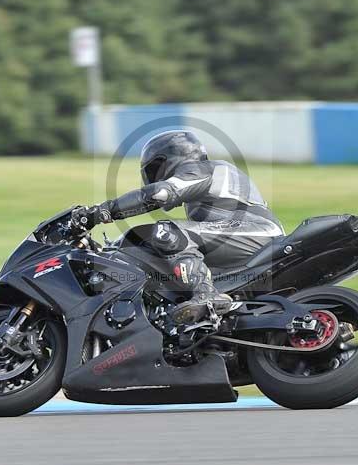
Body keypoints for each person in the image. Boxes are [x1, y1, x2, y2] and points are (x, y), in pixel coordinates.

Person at [72, 130, 284, 325]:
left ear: (170, 159)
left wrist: (102, 211)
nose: (152, 176)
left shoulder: (202, 170)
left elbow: (160, 194)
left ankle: (206, 293)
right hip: (247, 236)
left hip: (257, 231)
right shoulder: (208, 185)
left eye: (155, 168)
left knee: (167, 230)